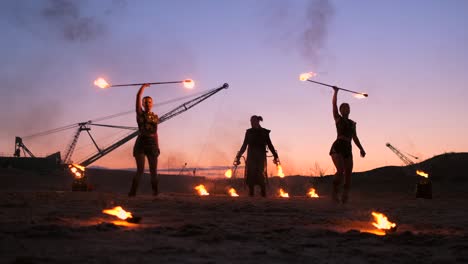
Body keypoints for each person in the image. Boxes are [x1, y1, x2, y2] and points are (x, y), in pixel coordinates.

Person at [330, 87, 366, 203]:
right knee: (340, 171)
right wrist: (335, 92)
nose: (346, 109)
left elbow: (355, 137)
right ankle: (335, 194)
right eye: (344, 107)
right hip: (338, 146)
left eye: (348, 107)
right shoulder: (338, 119)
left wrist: (361, 148)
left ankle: (345, 197)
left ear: (349, 110)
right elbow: (334, 105)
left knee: (348, 175)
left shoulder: (352, 123)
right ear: (341, 110)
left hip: (348, 148)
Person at [234, 115, 279, 197]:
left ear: (257, 122)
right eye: (251, 122)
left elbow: (270, 145)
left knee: (261, 173)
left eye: (253, 121)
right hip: (251, 157)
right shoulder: (249, 132)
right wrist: (239, 155)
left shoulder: (264, 132)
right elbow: (244, 145)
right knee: (250, 174)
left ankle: (263, 194)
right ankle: (251, 194)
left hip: (261, 157)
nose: (251, 123)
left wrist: (275, 156)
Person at [128, 84, 160, 197]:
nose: (147, 104)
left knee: (153, 171)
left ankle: (155, 193)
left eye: (149, 102)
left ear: (152, 104)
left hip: (152, 144)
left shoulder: (155, 117)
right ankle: (132, 193)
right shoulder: (140, 113)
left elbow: (155, 133)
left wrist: (157, 146)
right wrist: (143, 87)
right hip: (141, 142)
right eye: (145, 102)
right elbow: (137, 96)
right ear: (142, 104)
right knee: (140, 170)